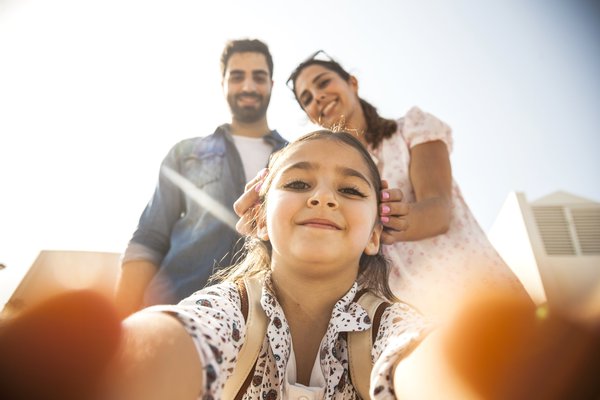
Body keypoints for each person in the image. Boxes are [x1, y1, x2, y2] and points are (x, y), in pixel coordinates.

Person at [1, 131, 598, 400]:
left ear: (374, 237)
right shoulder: (228, 305)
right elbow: (179, 338)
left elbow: (416, 359)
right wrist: (112, 375)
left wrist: (481, 376)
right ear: (260, 218)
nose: (323, 197)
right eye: (299, 182)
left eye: (351, 191)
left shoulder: (388, 320)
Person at [236, 50, 530, 318]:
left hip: (472, 286)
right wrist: (272, 222)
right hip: (403, 313)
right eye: (307, 98)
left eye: (323, 83)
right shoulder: (323, 177)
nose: (318, 97)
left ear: (352, 82)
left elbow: (439, 210)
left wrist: (374, 219)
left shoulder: (411, 129)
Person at [115, 39, 287, 317]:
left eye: (258, 77)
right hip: (174, 310)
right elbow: (149, 237)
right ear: (223, 84)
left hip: (263, 321)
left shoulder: (295, 158)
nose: (248, 86)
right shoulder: (186, 153)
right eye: (237, 76)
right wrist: (120, 316)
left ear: (271, 84)